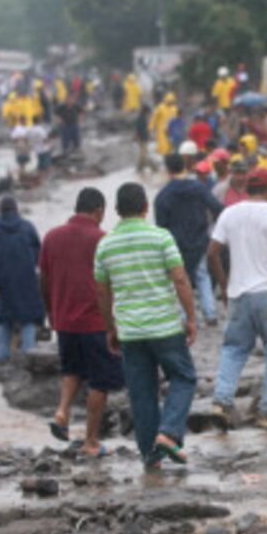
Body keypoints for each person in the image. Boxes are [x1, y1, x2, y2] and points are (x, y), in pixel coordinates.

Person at [94, 183, 199, 468]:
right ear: (145, 207)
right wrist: (190, 317)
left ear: (116, 211)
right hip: (164, 326)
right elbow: (180, 279)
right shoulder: (161, 237)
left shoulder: (105, 245)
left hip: (130, 331)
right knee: (184, 377)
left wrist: (111, 329)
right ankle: (168, 434)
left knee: (142, 393)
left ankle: (151, 457)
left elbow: (102, 292)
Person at [204, 169, 267, 431]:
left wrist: (224, 286)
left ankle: (221, 402)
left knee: (234, 350)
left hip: (239, 294)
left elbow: (212, 253)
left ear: (247, 189)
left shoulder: (229, 213)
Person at [39, 188, 124, 457]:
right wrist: (114, 323)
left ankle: (62, 413)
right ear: (98, 211)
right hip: (95, 321)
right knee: (99, 382)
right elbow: (110, 284)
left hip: (64, 319)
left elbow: (44, 278)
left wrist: (51, 312)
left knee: (71, 370)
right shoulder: (101, 239)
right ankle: (90, 441)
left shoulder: (52, 237)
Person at [155, 154, 225, 327]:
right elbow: (217, 207)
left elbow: (160, 226)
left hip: (176, 244)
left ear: (167, 170)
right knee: (202, 276)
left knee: (180, 279)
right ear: (184, 167)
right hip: (200, 240)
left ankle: (185, 318)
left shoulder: (163, 195)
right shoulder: (198, 187)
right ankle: (210, 314)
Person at [0, 197, 45, 362]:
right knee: (28, 319)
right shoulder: (28, 227)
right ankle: (29, 357)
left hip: (3, 283)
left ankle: (2, 357)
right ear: (16, 210)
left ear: (1, 211)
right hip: (26, 281)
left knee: (4, 320)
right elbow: (39, 255)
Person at [135, 102, 157, 176]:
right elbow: (139, 129)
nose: (149, 114)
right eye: (148, 112)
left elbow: (144, 129)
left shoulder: (143, 118)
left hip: (144, 138)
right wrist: (138, 136)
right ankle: (154, 167)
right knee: (145, 155)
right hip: (142, 139)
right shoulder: (141, 119)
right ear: (145, 111)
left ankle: (139, 169)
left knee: (142, 155)